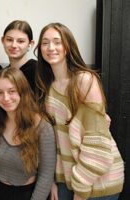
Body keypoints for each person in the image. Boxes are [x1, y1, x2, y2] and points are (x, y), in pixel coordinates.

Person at [35, 22, 124, 200]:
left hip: (99, 179)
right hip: (68, 180)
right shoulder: (48, 87)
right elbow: (54, 141)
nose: (50, 47)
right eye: (45, 43)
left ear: (68, 46)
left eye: (57, 42)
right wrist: (53, 180)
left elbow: (97, 143)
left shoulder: (85, 81)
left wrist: (80, 193)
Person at [0, 67, 56, 200]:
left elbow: (46, 175)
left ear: (23, 92)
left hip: (26, 194)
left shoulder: (42, 127)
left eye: (12, 91)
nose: (5, 98)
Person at [2, 20, 37, 93]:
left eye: (20, 41)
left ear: (30, 44)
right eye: (9, 40)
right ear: (3, 41)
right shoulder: (2, 73)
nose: (14, 45)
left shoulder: (38, 71)